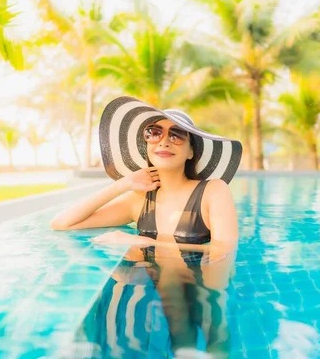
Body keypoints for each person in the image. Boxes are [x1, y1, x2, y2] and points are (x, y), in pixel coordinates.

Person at [51, 96, 243, 357]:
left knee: (213, 324)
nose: (164, 140)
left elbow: (224, 248)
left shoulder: (212, 190)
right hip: (164, 278)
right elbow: (62, 223)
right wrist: (122, 184)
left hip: (207, 275)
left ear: (191, 151)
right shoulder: (139, 201)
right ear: (147, 145)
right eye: (154, 132)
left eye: (177, 135)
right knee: (168, 304)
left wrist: (148, 243)